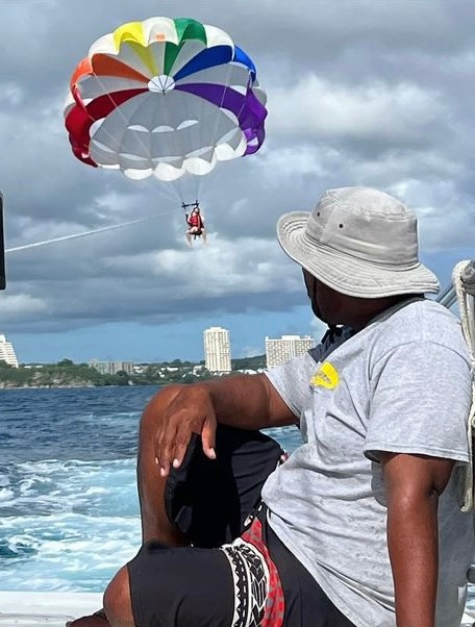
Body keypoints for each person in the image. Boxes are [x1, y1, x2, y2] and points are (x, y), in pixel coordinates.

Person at [71, 186, 474, 626]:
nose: (305, 276)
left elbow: (416, 495)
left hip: (342, 587)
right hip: (297, 517)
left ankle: (151, 601)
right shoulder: (354, 333)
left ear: (334, 276)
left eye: (310, 266)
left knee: (127, 596)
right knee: (168, 407)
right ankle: (163, 576)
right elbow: (267, 395)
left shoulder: (418, 345)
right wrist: (204, 396)